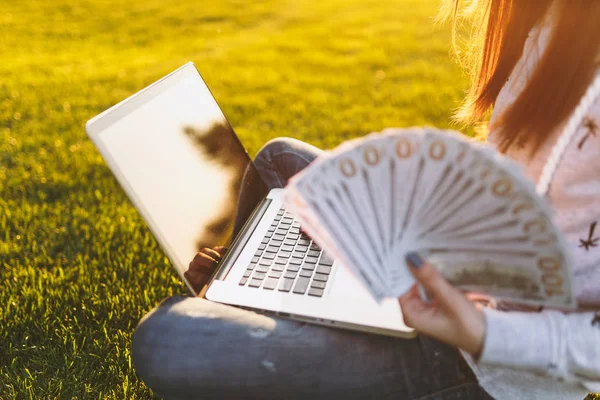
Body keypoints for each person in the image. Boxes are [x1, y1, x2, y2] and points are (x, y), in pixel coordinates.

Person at [131, 0, 600, 399]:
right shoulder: (552, 20)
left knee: (165, 340)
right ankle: (249, 286)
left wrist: (482, 333)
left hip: (480, 369)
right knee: (281, 162)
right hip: (442, 273)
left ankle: (254, 300)